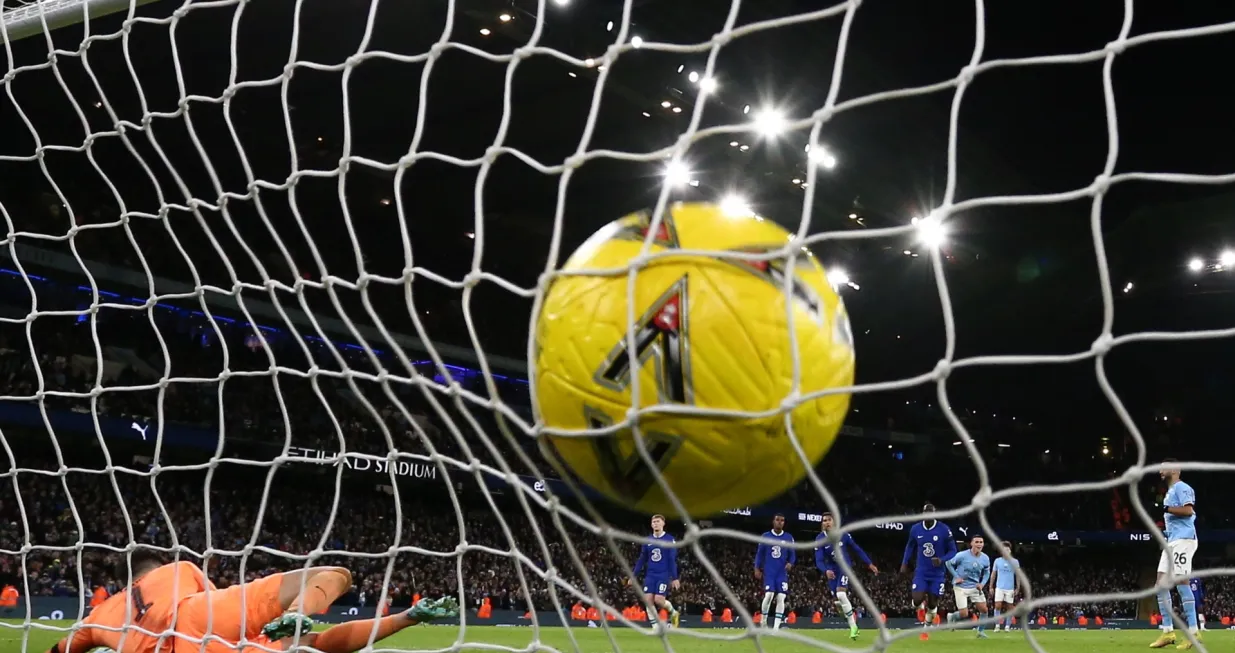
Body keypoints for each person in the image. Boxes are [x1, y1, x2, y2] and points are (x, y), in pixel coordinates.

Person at [46, 550, 457, 653]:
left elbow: (61, 651)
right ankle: (297, 615)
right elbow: (211, 602)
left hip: (151, 646)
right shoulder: (179, 569)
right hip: (198, 620)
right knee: (329, 584)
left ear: (125, 581)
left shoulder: (99, 615)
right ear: (159, 565)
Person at [1150, 458, 1200, 650]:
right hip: (1172, 541)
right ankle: (1168, 632)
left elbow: (1188, 510)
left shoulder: (1182, 487)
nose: (1160, 471)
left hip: (1184, 539)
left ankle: (1194, 632)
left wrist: (1166, 509)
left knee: (1181, 582)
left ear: (1176, 469)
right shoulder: (1169, 493)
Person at [813, 512, 877, 640]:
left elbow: (857, 549)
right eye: (824, 520)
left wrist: (869, 563)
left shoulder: (843, 534)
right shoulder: (820, 539)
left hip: (845, 567)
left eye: (829, 520)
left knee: (841, 594)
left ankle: (853, 627)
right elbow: (818, 560)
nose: (827, 522)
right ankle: (845, 611)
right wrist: (825, 570)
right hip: (832, 570)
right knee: (838, 599)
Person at [900, 503, 956, 638]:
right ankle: (919, 608)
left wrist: (941, 559)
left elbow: (953, 550)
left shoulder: (944, 529)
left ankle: (926, 628)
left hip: (938, 573)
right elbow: (909, 546)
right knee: (917, 599)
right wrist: (904, 563)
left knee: (932, 603)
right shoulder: (915, 529)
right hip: (921, 572)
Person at [630, 513, 681, 627]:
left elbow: (672, 560)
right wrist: (634, 575)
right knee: (648, 600)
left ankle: (673, 613)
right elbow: (642, 559)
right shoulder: (648, 540)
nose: (656, 524)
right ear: (651, 525)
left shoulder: (669, 539)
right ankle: (655, 627)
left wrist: (675, 578)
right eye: (654, 522)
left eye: (658, 521)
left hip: (663, 574)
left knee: (658, 600)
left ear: (663, 523)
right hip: (650, 575)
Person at [754, 513, 795, 630]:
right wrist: (757, 568)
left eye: (782, 520)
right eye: (777, 520)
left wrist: (790, 563)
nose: (779, 522)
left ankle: (776, 628)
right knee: (769, 595)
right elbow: (759, 554)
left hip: (781, 573)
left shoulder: (788, 538)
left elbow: (792, 554)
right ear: (773, 521)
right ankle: (763, 621)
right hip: (769, 572)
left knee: (781, 597)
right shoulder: (765, 536)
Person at [945, 534, 991, 639]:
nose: (979, 544)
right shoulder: (962, 555)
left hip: (975, 587)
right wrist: (956, 576)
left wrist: (982, 584)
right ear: (971, 543)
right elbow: (948, 563)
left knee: (984, 610)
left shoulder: (985, 558)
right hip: (960, 587)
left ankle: (980, 632)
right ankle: (952, 616)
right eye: (976, 542)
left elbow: (987, 573)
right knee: (964, 614)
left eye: (981, 542)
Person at [990, 540, 1019, 631]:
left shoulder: (1015, 562)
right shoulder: (997, 561)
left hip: (1010, 588)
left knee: (1010, 607)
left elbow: (1018, 575)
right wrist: (991, 586)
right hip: (999, 587)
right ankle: (997, 626)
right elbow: (993, 574)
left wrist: (1018, 587)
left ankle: (1007, 626)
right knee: (997, 606)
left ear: (1010, 551)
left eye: (1007, 550)